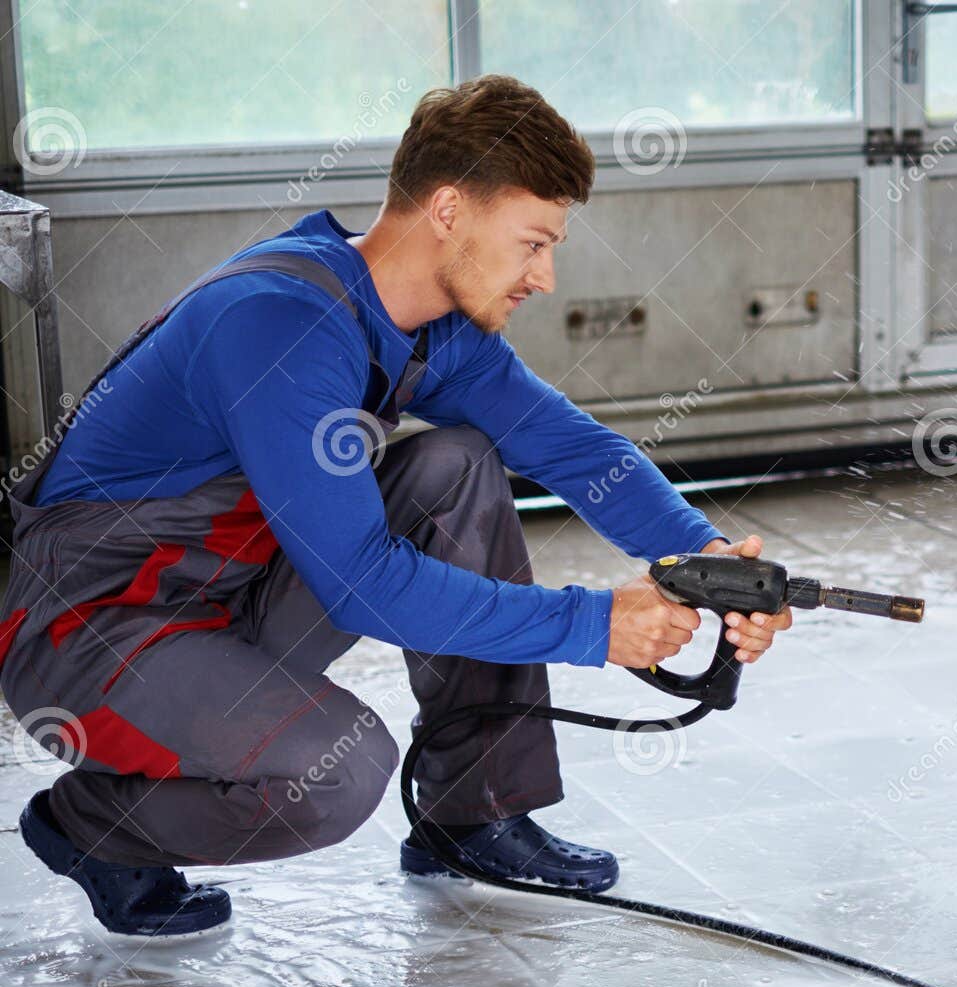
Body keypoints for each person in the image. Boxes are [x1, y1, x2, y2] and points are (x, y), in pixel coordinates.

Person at [0, 74, 792, 937]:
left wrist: (707, 557)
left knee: (456, 462)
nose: (547, 276)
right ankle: (94, 826)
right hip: (90, 633)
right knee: (339, 772)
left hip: (222, 599)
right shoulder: (281, 323)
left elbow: (577, 450)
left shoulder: (432, 329)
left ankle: (473, 812)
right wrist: (594, 625)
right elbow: (362, 586)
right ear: (448, 209)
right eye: (532, 243)